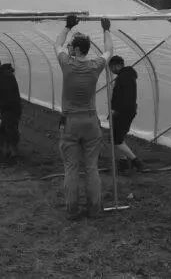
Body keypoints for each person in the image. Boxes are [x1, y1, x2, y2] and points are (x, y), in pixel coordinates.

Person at [55, 14, 113, 220]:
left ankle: (72, 210)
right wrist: (106, 29)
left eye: (72, 46)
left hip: (71, 122)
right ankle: (95, 209)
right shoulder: (95, 66)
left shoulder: (67, 64)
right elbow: (108, 51)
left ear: (77, 49)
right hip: (90, 122)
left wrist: (67, 26)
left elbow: (57, 45)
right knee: (91, 167)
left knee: (71, 168)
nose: (69, 48)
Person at [108, 55, 145, 173]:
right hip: (127, 111)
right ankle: (123, 161)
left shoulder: (124, 77)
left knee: (116, 140)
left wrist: (115, 111)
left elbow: (123, 98)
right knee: (117, 137)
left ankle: (136, 161)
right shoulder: (127, 75)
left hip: (123, 112)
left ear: (117, 65)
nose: (111, 71)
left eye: (111, 68)